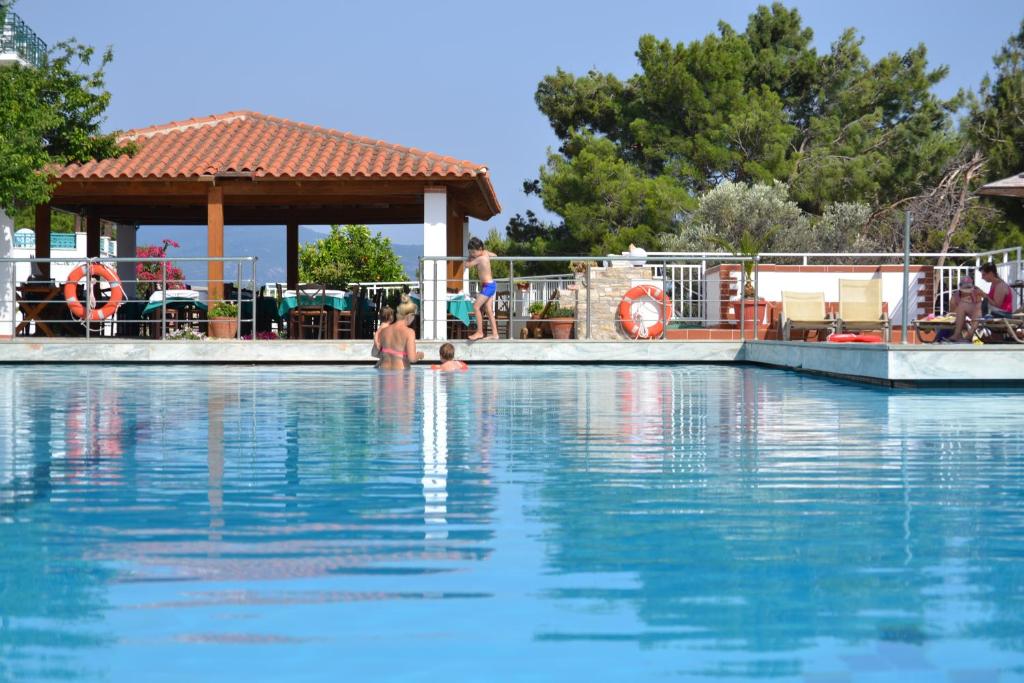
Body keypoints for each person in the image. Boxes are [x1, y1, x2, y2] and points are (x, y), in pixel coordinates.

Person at [376, 295, 425, 369]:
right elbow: (412, 358)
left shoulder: (384, 330)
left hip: (384, 373)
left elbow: (379, 353)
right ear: (409, 315)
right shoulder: (409, 332)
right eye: (414, 316)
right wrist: (419, 355)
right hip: (401, 375)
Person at [465, 236, 498, 341]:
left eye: (473, 253)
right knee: (488, 309)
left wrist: (468, 259)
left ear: (480, 249)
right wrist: (486, 252)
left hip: (488, 286)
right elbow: (495, 255)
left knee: (476, 307)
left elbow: (467, 265)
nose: (472, 255)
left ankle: (479, 332)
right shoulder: (485, 254)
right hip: (490, 285)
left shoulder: (480, 258)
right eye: (470, 253)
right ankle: (495, 334)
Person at [950, 275, 986, 343]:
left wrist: (981, 293)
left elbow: (985, 300)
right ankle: (958, 334)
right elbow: (952, 312)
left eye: (968, 287)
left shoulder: (976, 292)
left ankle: (969, 334)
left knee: (978, 306)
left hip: (977, 314)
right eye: (965, 288)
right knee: (962, 306)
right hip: (961, 317)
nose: (967, 291)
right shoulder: (955, 297)